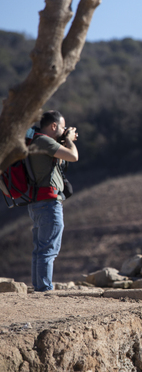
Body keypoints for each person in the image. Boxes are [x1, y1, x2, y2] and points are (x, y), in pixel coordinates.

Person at [28, 110, 79, 292]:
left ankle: (39, 287)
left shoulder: (36, 140)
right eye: (63, 127)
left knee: (40, 249)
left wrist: (64, 138)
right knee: (48, 249)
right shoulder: (44, 141)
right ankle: (44, 288)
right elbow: (73, 156)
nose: (65, 130)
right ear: (54, 126)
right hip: (48, 203)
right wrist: (70, 139)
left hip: (38, 202)